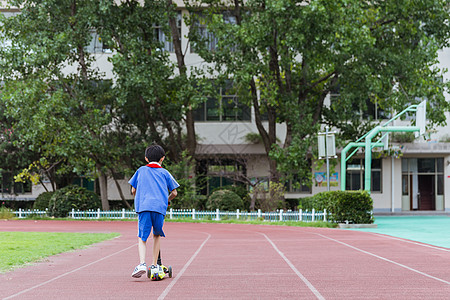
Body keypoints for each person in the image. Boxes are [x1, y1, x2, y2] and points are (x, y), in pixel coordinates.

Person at [129, 145, 179, 279]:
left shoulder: (140, 171)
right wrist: (166, 200)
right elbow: (174, 192)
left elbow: (133, 190)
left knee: (142, 237)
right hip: (159, 208)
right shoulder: (165, 173)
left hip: (144, 207)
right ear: (162, 158)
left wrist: (139, 198)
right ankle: (155, 265)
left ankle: (141, 264)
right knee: (156, 235)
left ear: (146, 158)